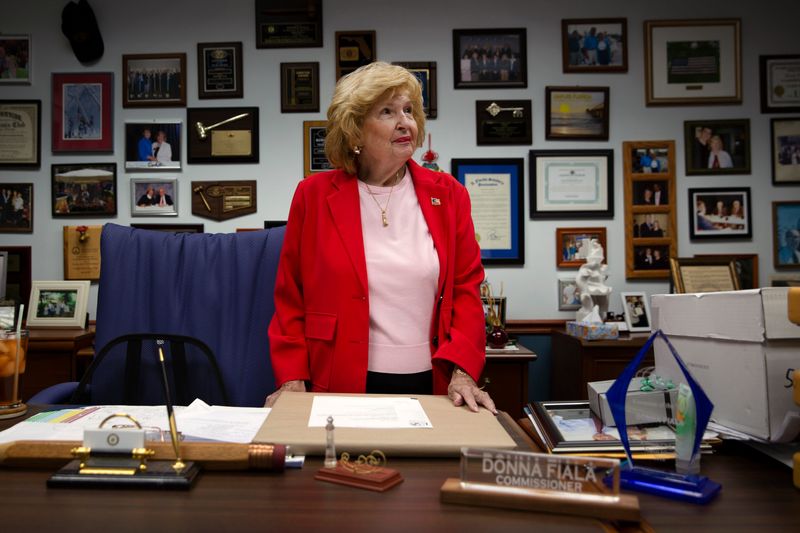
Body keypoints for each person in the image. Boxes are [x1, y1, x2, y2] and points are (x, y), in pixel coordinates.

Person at [265, 62, 495, 414]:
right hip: (338, 380)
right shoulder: (313, 195)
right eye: (387, 112)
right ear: (355, 131)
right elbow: (290, 296)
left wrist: (463, 371)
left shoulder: (448, 194)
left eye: (408, 110)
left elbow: (466, 288)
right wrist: (292, 378)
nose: (405, 122)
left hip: (433, 382)